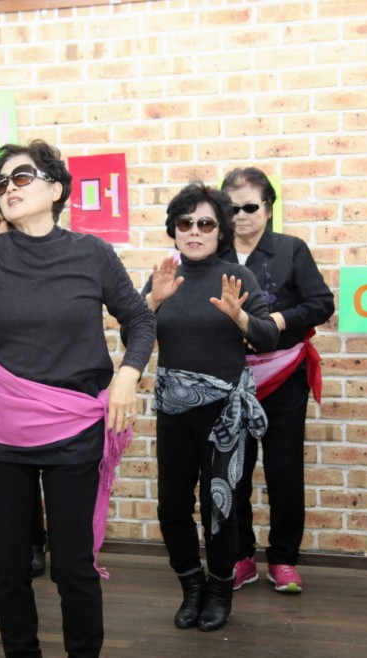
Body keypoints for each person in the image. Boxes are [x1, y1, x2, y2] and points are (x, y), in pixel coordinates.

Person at [0, 139, 156, 658]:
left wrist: (128, 374)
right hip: (5, 430)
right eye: (1, 182)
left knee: (72, 566)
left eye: (21, 177)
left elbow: (139, 319)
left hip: (75, 427)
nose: (9, 188)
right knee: (7, 565)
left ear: (55, 188)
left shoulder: (92, 254)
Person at [143, 182, 278, 632]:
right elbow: (133, 337)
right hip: (173, 411)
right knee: (172, 507)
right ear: (174, 229)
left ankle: (220, 591)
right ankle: (192, 588)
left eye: (205, 223)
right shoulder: (164, 276)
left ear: (220, 231)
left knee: (221, 507)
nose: (194, 231)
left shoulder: (237, 277)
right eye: (185, 223)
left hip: (224, 414)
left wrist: (240, 317)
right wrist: (152, 301)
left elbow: (268, 337)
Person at [219, 168, 334, 594]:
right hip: (228, 379)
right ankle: (241, 556)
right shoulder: (213, 254)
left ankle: (284, 559)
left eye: (250, 207)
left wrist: (275, 322)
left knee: (284, 471)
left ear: (268, 208)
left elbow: (321, 304)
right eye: (231, 209)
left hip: (284, 376)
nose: (241, 216)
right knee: (234, 470)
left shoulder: (291, 250)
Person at [0, 190, 47, 578]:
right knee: (7, 485)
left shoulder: (30, 268)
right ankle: (4, 554)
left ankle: (38, 543)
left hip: (42, 396)